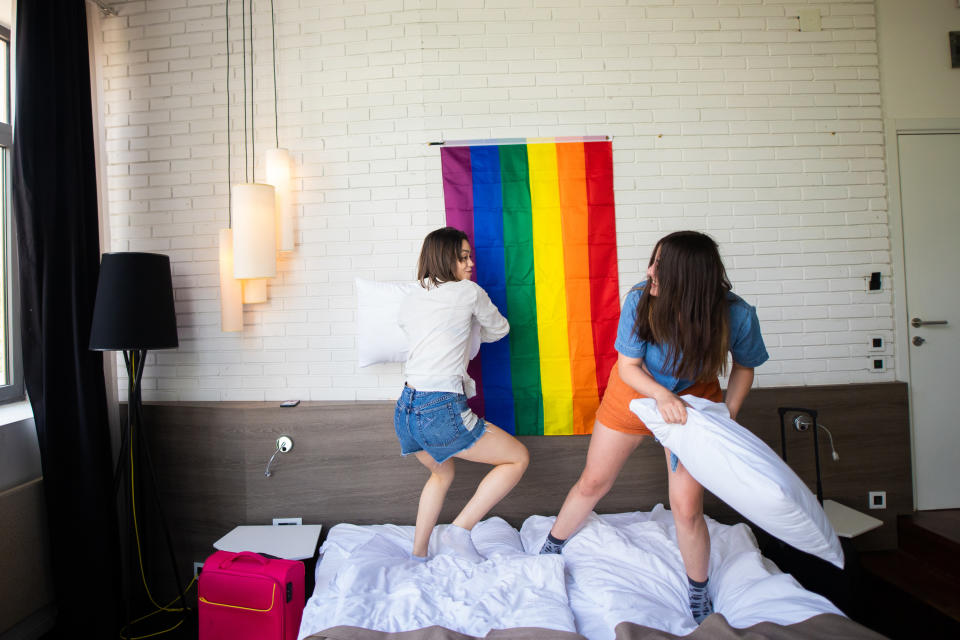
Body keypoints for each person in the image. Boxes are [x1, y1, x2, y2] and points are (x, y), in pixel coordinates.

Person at [539, 230, 768, 624]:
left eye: (660, 267)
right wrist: (662, 397)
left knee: (687, 507)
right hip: (637, 389)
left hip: (696, 400)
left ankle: (698, 591)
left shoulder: (737, 313)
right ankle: (551, 545)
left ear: (690, 278)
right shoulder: (639, 299)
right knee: (593, 482)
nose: (649, 273)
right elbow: (628, 367)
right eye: (653, 263)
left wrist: (728, 412)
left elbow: (745, 367)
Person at [395, 226, 530, 562]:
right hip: (440, 407)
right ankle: (459, 530)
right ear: (445, 258)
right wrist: (473, 327)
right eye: (463, 257)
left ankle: (418, 553)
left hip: (405, 411)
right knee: (517, 458)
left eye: (470, 257)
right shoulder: (468, 292)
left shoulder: (412, 297)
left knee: (442, 473)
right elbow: (500, 328)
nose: (471, 264)